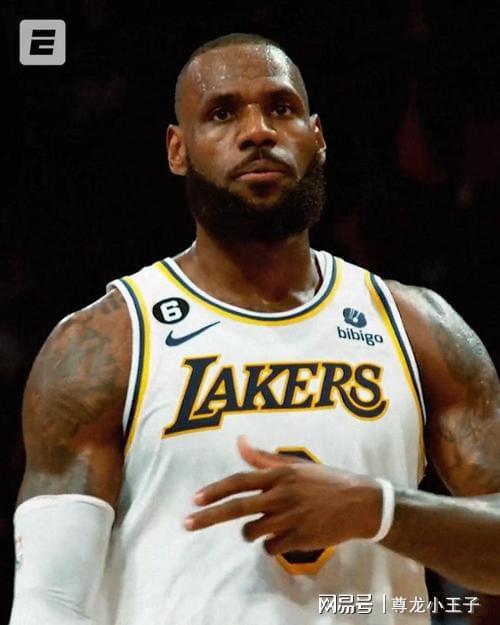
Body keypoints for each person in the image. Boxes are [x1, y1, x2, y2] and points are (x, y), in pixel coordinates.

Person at [9, 32, 500, 625]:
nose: (258, 131)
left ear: (317, 137)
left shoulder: (417, 327)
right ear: (177, 150)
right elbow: (51, 602)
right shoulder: (106, 343)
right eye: (222, 114)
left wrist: (381, 510)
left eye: (281, 108)